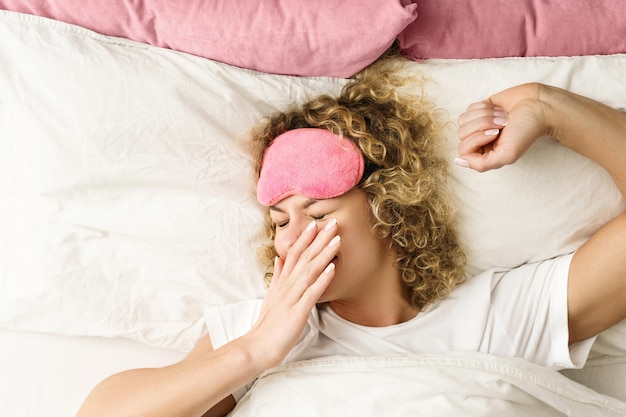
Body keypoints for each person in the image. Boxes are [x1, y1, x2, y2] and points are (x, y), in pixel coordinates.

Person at [75, 59, 626, 417]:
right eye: (281, 221)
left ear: (391, 207)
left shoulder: (496, 314)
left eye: (317, 210)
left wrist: (549, 107)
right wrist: (256, 350)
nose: (294, 238)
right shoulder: (258, 331)